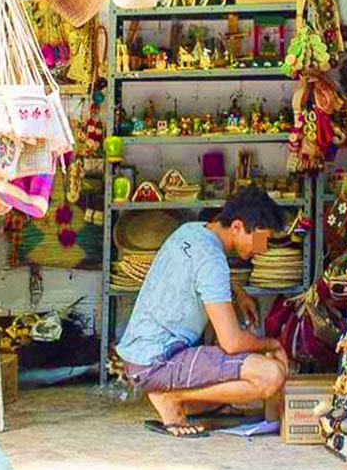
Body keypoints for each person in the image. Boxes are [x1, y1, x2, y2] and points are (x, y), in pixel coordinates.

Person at [116, 185, 290, 438]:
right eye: (260, 238)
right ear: (238, 227)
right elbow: (232, 343)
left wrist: (237, 293)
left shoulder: (193, 231)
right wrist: (272, 344)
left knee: (229, 381)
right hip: (159, 362)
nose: (261, 248)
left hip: (141, 359)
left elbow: (201, 273)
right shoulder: (212, 261)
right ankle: (171, 398)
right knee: (270, 375)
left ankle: (179, 395)